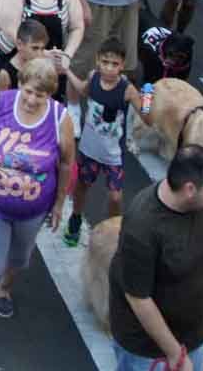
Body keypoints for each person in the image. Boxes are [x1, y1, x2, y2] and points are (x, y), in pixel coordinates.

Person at [0, 58, 74, 361]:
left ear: (50, 96)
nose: (33, 100)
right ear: (20, 84)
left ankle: (5, 287)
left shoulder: (60, 119)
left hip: (33, 209)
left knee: (19, 258)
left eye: (41, 95)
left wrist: (59, 202)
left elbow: (65, 162)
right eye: (29, 91)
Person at [108, 146, 203, 371]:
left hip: (195, 334)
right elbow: (138, 297)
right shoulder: (143, 226)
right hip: (150, 349)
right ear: (190, 189)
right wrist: (175, 354)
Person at [62, 37, 146, 248]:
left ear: (122, 66)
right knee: (81, 187)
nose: (109, 68)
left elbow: (148, 118)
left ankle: (113, 228)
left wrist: (148, 100)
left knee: (116, 197)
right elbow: (82, 90)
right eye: (105, 62)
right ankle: (75, 219)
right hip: (89, 150)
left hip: (113, 155)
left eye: (115, 64)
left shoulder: (127, 90)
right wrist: (68, 72)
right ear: (98, 60)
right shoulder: (93, 77)